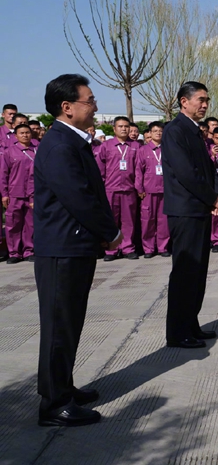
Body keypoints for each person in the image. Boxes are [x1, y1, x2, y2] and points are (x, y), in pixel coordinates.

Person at [33, 74, 122, 426]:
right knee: (59, 326)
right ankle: (54, 404)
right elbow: (78, 197)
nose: (95, 106)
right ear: (67, 107)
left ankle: (64, 386)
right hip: (62, 248)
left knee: (70, 323)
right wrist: (110, 231)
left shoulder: (72, 141)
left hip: (75, 245)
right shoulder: (59, 145)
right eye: (90, 100)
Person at [161, 82, 218, 349]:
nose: (205, 105)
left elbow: (208, 168)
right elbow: (186, 172)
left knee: (198, 271)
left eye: (207, 100)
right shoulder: (175, 130)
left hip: (198, 208)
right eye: (200, 99)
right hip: (185, 210)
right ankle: (178, 332)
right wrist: (211, 197)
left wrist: (215, 195)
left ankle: (190, 323)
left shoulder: (195, 131)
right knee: (185, 272)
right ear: (184, 101)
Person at [96, 116, 140, 261]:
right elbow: (100, 169)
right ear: (114, 129)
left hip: (129, 189)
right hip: (110, 189)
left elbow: (139, 170)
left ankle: (128, 248)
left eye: (126, 126)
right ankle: (111, 250)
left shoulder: (135, 146)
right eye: (120, 126)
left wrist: (138, 187)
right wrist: (101, 188)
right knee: (111, 220)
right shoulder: (106, 146)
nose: (124, 129)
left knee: (128, 221)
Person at [1, 123, 37, 263]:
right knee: (13, 224)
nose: (25, 135)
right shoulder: (9, 152)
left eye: (27, 132)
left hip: (32, 194)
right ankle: (14, 253)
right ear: (15, 136)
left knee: (30, 224)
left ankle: (29, 250)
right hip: (14, 193)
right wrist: (4, 193)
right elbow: (3, 174)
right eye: (22, 133)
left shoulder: (37, 150)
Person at [136, 122, 169, 258]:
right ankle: (148, 248)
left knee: (163, 221)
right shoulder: (143, 150)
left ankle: (163, 247)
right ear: (149, 133)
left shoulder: (167, 149)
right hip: (148, 191)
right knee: (147, 220)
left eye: (160, 131)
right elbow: (138, 171)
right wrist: (139, 188)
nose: (158, 133)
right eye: (155, 131)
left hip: (165, 191)